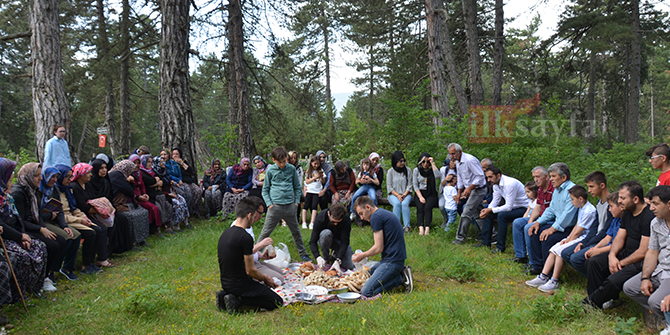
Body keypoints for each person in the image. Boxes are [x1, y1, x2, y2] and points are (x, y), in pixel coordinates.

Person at [584, 181, 653, 309]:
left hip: (640, 261)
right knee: (594, 262)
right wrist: (612, 256)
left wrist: (621, 263)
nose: (619, 201)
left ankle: (589, 304)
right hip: (625, 253)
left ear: (636, 199)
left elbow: (643, 251)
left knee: (613, 281)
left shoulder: (648, 217)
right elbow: (619, 238)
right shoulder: (628, 211)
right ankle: (598, 302)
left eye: (623, 198)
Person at [216, 197, 282, 315]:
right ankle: (238, 300)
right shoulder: (245, 237)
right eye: (253, 217)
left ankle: (225, 294)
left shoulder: (225, 233)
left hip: (226, 283)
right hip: (241, 285)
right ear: (249, 215)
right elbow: (250, 270)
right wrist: (265, 278)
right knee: (276, 301)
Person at [525, 185, 596, 292]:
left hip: (583, 238)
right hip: (576, 236)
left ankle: (554, 281)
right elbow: (576, 226)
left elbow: (579, 232)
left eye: (572, 199)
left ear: (580, 199)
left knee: (560, 251)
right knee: (553, 249)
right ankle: (543, 276)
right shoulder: (581, 207)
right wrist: (568, 239)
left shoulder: (589, 211)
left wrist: (569, 241)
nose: (571, 202)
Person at [12, 163, 67, 292]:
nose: (40, 178)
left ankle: (48, 274)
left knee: (61, 241)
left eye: (39, 175)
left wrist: (43, 227)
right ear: (28, 176)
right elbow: (20, 221)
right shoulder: (18, 193)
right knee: (52, 245)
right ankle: (42, 278)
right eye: (36, 175)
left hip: (34, 226)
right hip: (24, 229)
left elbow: (36, 215)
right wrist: (41, 229)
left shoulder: (33, 190)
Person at [0, 158, 48, 298]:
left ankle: (34, 287)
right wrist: (19, 237)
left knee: (40, 247)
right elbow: (2, 226)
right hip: (6, 237)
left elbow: (17, 218)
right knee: (23, 257)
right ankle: (17, 294)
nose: (11, 183)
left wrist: (23, 235)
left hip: (16, 234)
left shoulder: (7, 197)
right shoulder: (14, 193)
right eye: (9, 179)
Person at [623, 186, 670, 318]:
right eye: (651, 204)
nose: (651, 208)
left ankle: (663, 317)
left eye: (656, 204)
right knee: (630, 287)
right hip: (661, 269)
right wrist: (645, 278)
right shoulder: (656, 223)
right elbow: (652, 252)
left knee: (655, 301)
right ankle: (661, 316)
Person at [57, 163, 112, 276]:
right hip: (66, 220)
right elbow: (61, 213)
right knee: (91, 233)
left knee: (99, 229)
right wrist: (80, 220)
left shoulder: (67, 190)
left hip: (76, 216)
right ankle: (85, 265)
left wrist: (83, 217)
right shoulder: (59, 191)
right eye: (66, 177)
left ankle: (91, 262)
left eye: (70, 176)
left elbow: (75, 208)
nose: (69, 179)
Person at [258, 147, 311, 262]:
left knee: (296, 231)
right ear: (273, 160)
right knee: (265, 232)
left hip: (290, 206)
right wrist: (269, 204)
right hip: (275, 207)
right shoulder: (270, 171)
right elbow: (265, 189)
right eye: (280, 162)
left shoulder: (291, 169)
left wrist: (296, 203)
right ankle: (255, 255)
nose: (282, 164)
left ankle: (303, 254)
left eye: (284, 161)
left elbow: (297, 187)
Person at [352, 196, 413, 296]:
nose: (362, 218)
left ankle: (399, 279)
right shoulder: (381, 213)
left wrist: (362, 255)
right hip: (392, 259)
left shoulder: (375, 217)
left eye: (361, 214)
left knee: (365, 291)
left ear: (368, 207)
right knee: (367, 274)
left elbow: (378, 248)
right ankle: (398, 275)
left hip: (392, 262)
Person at [525, 163, 578, 275]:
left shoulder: (572, 191)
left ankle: (548, 272)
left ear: (563, 177)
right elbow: (551, 210)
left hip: (569, 228)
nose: (551, 179)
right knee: (534, 231)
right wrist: (538, 222)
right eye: (551, 176)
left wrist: (552, 229)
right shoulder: (557, 190)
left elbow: (567, 216)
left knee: (547, 237)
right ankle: (537, 266)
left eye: (554, 176)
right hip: (558, 224)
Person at [560, 172, 614, 277]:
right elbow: (595, 227)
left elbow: (605, 231)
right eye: (588, 187)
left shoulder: (612, 205)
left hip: (604, 241)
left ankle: (598, 281)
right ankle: (594, 279)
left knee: (576, 258)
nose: (589, 190)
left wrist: (587, 244)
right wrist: (584, 243)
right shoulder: (599, 203)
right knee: (565, 253)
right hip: (595, 238)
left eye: (591, 187)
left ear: (602, 186)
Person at [38, 166, 84, 279]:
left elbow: (59, 210)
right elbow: (35, 214)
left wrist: (64, 225)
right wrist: (49, 215)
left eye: (56, 177)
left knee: (76, 235)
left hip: (54, 219)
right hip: (42, 221)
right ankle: (52, 270)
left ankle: (68, 267)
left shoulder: (54, 189)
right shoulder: (38, 190)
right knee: (65, 238)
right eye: (52, 176)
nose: (54, 180)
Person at [478, 165, 530, 253]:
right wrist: (487, 210)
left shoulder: (510, 184)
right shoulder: (495, 185)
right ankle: (486, 242)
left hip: (524, 208)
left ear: (498, 176)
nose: (488, 180)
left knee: (502, 215)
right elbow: (495, 201)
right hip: (514, 207)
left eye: (490, 177)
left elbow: (508, 206)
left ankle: (500, 247)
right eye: (487, 177)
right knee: (488, 211)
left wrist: (491, 210)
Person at [87, 158, 134, 254]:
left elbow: (109, 196)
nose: (104, 170)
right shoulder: (89, 183)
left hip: (107, 209)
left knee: (122, 219)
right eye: (101, 168)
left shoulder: (105, 181)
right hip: (94, 211)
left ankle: (118, 248)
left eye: (105, 167)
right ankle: (105, 252)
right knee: (112, 223)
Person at [511, 166, 554, 264]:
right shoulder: (540, 190)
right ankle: (521, 256)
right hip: (540, 216)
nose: (535, 180)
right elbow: (537, 207)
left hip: (549, 219)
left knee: (528, 227)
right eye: (534, 177)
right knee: (518, 222)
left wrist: (534, 222)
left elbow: (552, 212)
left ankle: (534, 262)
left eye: (538, 177)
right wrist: (530, 220)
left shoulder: (553, 189)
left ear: (546, 177)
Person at [448, 143, 487, 244]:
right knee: (478, 214)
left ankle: (460, 238)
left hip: (479, 189)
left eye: (453, 154)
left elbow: (480, 177)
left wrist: (470, 188)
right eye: (450, 154)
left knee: (466, 212)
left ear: (460, 152)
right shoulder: (458, 162)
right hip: (471, 189)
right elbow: (460, 178)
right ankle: (491, 235)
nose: (452, 157)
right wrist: (459, 193)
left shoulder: (470, 160)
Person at [109, 160, 151, 247]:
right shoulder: (116, 175)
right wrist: (131, 182)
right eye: (130, 170)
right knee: (131, 217)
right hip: (119, 205)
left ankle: (141, 239)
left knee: (143, 213)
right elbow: (130, 191)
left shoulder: (124, 177)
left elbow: (131, 191)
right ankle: (132, 242)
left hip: (130, 203)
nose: (131, 172)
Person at [308, 203, 354, 270]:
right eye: (333, 222)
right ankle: (326, 258)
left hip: (339, 240)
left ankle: (335, 255)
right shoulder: (321, 218)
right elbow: (312, 241)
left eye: (338, 222)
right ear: (329, 213)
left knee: (350, 265)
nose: (335, 224)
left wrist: (338, 260)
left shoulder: (346, 220)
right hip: (325, 238)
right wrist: (317, 257)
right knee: (326, 233)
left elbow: (345, 242)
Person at [138, 155, 175, 234]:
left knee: (168, 206)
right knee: (158, 209)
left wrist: (155, 183)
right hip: (152, 196)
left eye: (151, 162)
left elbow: (162, 181)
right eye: (148, 162)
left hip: (160, 194)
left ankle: (168, 226)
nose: (150, 164)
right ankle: (157, 229)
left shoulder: (153, 171)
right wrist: (156, 183)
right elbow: (148, 181)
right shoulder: (142, 172)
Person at [153, 155, 190, 231]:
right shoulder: (156, 175)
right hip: (164, 195)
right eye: (161, 162)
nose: (163, 163)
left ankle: (186, 223)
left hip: (171, 191)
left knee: (182, 200)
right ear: (157, 163)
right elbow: (159, 190)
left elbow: (168, 183)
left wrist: (171, 183)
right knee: (176, 204)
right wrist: (170, 194)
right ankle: (176, 225)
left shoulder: (165, 172)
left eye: (163, 161)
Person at [129, 155, 163, 237]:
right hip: (134, 198)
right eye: (134, 163)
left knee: (156, 207)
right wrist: (138, 197)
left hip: (143, 196)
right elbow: (131, 189)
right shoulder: (129, 175)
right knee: (153, 208)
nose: (136, 165)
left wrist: (144, 194)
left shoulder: (139, 173)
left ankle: (156, 229)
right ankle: (154, 230)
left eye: (138, 163)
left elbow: (142, 186)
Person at [412, 153, 441, 236]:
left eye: (427, 162)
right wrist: (420, 197)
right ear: (420, 162)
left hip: (431, 193)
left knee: (428, 208)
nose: (425, 164)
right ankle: (421, 228)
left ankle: (427, 229)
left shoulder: (432, 169)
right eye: (423, 162)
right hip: (420, 192)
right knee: (420, 207)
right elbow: (415, 185)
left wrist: (432, 163)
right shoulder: (416, 170)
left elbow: (438, 176)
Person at [386, 151, 413, 232]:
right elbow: (389, 187)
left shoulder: (408, 170)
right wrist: (398, 195)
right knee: (397, 204)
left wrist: (404, 195)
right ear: (395, 161)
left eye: (403, 160)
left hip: (406, 194)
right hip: (393, 195)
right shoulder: (390, 172)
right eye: (400, 161)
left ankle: (407, 227)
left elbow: (410, 185)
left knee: (404, 203)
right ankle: (396, 226)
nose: (402, 163)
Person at [171, 148, 202, 218]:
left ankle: (196, 211)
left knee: (198, 191)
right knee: (189, 193)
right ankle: (188, 212)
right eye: (173, 154)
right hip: (182, 182)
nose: (175, 156)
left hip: (189, 181)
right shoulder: (172, 164)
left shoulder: (184, 162)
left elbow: (190, 171)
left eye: (177, 154)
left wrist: (182, 163)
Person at [303, 156, 326, 230]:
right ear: (311, 163)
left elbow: (323, 182)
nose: (316, 165)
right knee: (306, 206)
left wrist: (321, 177)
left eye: (318, 164)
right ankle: (304, 222)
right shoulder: (308, 171)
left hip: (317, 191)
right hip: (309, 190)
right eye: (315, 164)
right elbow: (307, 181)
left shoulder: (321, 170)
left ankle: (312, 222)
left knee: (314, 206)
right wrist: (314, 178)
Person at [438, 157, 457, 229]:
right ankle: (446, 219)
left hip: (455, 191)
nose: (454, 163)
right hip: (445, 191)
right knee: (441, 205)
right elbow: (442, 184)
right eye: (452, 161)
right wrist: (446, 179)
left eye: (455, 161)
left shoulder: (459, 170)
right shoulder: (444, 170)